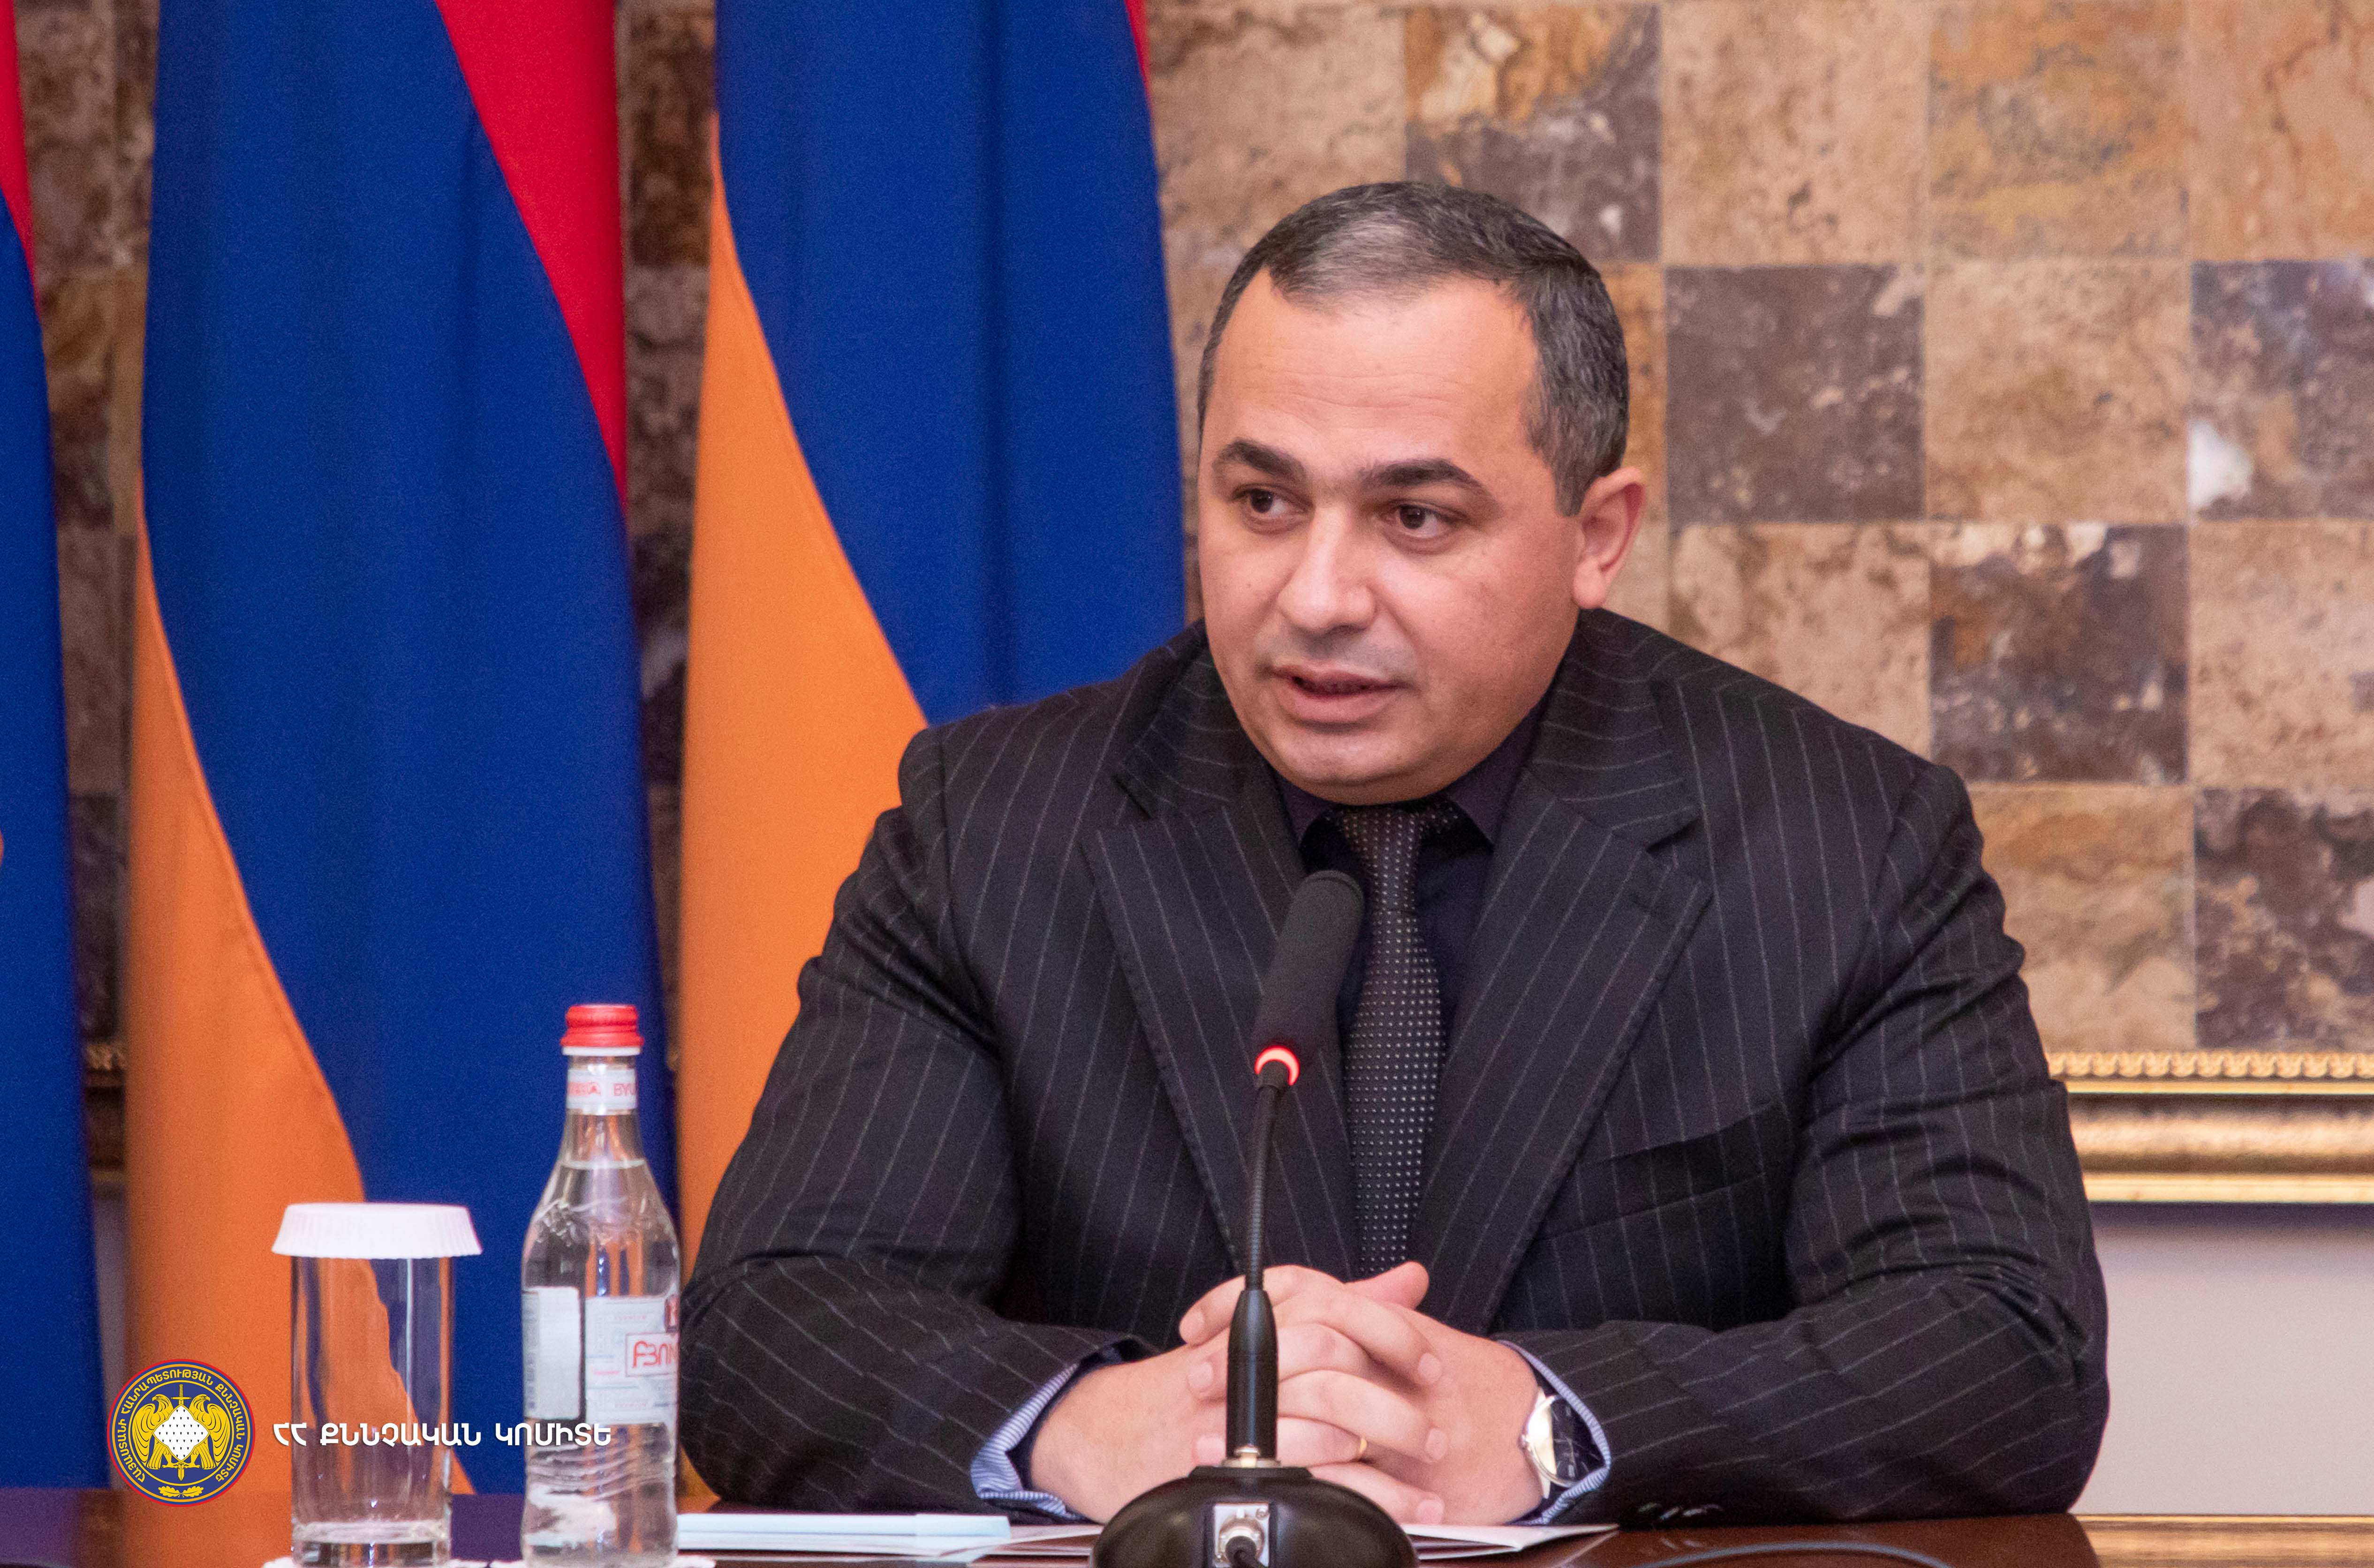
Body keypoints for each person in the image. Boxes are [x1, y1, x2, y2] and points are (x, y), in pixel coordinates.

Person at [680, 182, 2108, 1528]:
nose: (1317, 595)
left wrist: (1551, 1424)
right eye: (1263, 503)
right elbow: (768, 1328)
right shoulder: (992, 829)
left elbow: (2005, 1349)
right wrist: (1092, 1425)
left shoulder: (1842, 840)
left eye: (1415, 518)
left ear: (1596, 536)